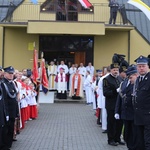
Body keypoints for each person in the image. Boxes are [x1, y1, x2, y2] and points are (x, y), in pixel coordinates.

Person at [115, 64, 138, 149]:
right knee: (126, 134)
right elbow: (120, 98)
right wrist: (117, 111)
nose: (128, 77)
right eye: (128, 74)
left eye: (130, 75)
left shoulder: (136, 83)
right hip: (124, 113)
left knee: (134, 135)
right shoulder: (123, 83)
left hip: (133, 113)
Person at [103, 63, 124, 146]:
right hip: (111, 104)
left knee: (119, 122)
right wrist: (116, 91)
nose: (116, 71)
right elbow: (105, 93)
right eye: (114, 70)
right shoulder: (106, 79)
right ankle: (111, 139)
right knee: (111, 122)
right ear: (111, 70)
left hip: (119, 104)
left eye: (117, 70)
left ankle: (117, 138)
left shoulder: (119, 78)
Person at [133, 56, 150, 150]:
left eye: (143, 66)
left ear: (148, 66)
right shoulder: (138, 80)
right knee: (140, 142)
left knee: (148, 142)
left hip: (148, 116)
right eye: (139, 66)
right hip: (138, 117)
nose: (141, 68)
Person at [1, 66, 19, 150]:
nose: (11, 75)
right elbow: (4, 100)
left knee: (11, 128)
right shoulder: (3, 83)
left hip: (13, 110)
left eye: (12, 73)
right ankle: (4, 145)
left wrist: (16, 111)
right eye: (9, 73)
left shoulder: (12, 83)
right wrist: (6, 113)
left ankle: (9, 143)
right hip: (6, 110)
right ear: (5, 73)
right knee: (5, 129)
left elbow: (15, 98)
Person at [97, 66, 110, 133]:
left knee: (104, 113)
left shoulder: (102, 78)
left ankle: (105, 127)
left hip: (103, 97)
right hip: (106, 97)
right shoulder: (105, 78)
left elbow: (99, 89)